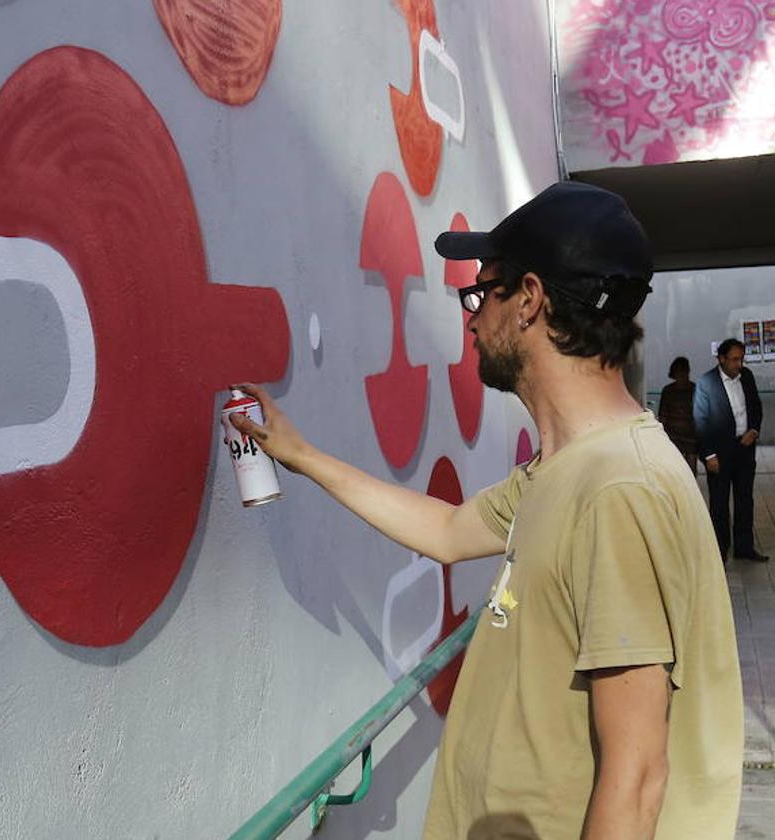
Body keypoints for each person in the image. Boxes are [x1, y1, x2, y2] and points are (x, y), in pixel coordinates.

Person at [232, 182, 741, 838]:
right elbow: (444, 532)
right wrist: (299, 453)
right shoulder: (566, 470)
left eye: (481, 292)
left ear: (529, 299)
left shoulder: (616, 492)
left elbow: (637, 776)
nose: (469, 317)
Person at [694, 338, 767, 562]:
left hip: (744, 448)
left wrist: (753, 429)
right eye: (734, 359)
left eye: (741, 359)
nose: (739, 364)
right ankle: (720, 550)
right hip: (719, 453)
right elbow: (700, 420)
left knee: (745, 498)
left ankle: (744, 548)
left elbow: (755, 405)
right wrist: (709, 455)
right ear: (721, 359)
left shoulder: (747, 377)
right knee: (719, 502)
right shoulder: (706, 382)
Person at [657, 356, 698, 473]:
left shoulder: (695, 389)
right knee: (677, 469)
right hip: (675, 435)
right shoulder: (669, 391)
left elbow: (662, 415)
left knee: (688, 469)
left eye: (683, 372)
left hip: (689, 435)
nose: (681, 375)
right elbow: (663, 415)